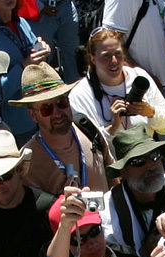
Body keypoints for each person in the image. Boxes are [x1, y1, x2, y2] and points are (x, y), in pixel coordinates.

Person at [16, 61, 111, 195]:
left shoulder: (87, 128)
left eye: (62, 102)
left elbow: (113, 178)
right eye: (47, 109)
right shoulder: (27, 161)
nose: (57, 113)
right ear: (33, 115)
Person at [100, 125, 165, 252]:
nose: (151, 166)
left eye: (154, 155)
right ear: (124, 172)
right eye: (138, 161)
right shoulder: (108, 209)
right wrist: (144, 255)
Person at [70, 28, 165, 140]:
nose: (114, 61)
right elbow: (84, 144)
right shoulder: (80, 95)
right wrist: (113, 127)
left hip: (147, 155)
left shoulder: (138, 76)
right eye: (106, 56)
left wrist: (151, 112)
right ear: (92, 58)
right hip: (111, 157)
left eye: (118, 54)